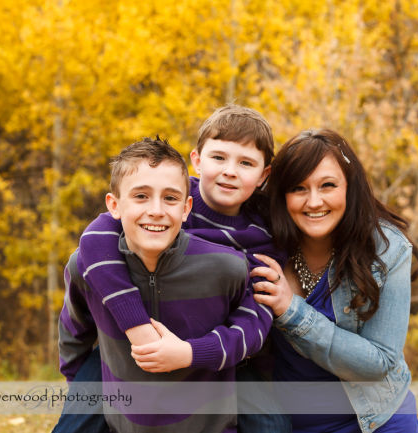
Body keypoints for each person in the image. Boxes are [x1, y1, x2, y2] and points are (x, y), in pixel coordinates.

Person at [57, 105, 290, 433]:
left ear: (264, 175)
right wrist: (135, 324)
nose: (230, 171)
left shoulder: (265, 232)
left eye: (246, 163)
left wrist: (194, 351)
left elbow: (253, 319)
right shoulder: (170, 195)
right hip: (131, 345)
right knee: (76, 421)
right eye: (219, 158)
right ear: (197, 160)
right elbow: (94, 238)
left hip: (218, 350)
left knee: (272, 424)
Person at [251, 129, 418, 432]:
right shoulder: (264, 242)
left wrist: (292, 310)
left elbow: (379, 362)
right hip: (291, 424)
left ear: (349, 188)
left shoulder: (386, 249)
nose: (314, 201)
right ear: (281, 194)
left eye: (327, 185)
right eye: (298, 188)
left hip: (375, 421)